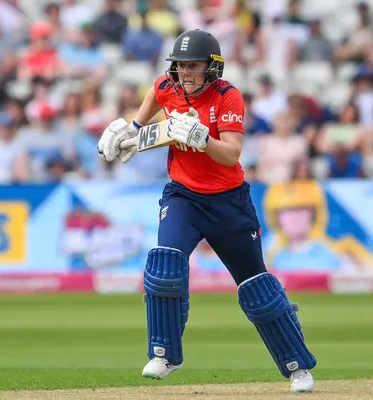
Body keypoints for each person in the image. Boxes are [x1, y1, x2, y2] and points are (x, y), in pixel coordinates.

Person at [96, 29, 317, 393]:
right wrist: (134, 129)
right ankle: (165, 353)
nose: (185, 73)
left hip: (229, 202)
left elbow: (232, 153)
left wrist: (202, 139)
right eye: (181, 66)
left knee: (256, 288)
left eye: (193, 66)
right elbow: (155, 92)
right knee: (164, 264)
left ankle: (298, 367)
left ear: (213, 68)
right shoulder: (169, 87)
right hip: (183, 195)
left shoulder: (229, 97)